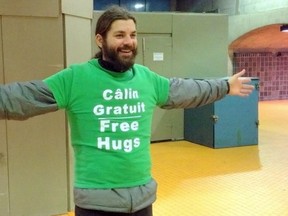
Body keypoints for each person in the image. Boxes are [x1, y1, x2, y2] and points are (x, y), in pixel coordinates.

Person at [0, 5, 254, 216]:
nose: (129, 42)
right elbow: (23, 97)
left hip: (142, 199)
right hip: (96, 203)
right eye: (120, 35)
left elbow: (185, 90)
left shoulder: (146, 78)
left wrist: (224, 86)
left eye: (132, 35)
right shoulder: (76, 78)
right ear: (100, 40)